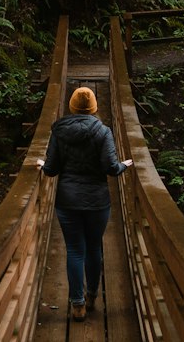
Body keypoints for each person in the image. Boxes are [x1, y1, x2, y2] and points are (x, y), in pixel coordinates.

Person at [37, 86, 133, 321]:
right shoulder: (103, 132)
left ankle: (77, 304)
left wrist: (42, 165)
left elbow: (51, 169)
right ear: (94, 108)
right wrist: (124, 165)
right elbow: (111, 168)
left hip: (68, 200)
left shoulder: (59, 131)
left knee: (74, 249)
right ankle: (91, 295)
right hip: (97, 201)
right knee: (93, 247)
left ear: (71, 106)